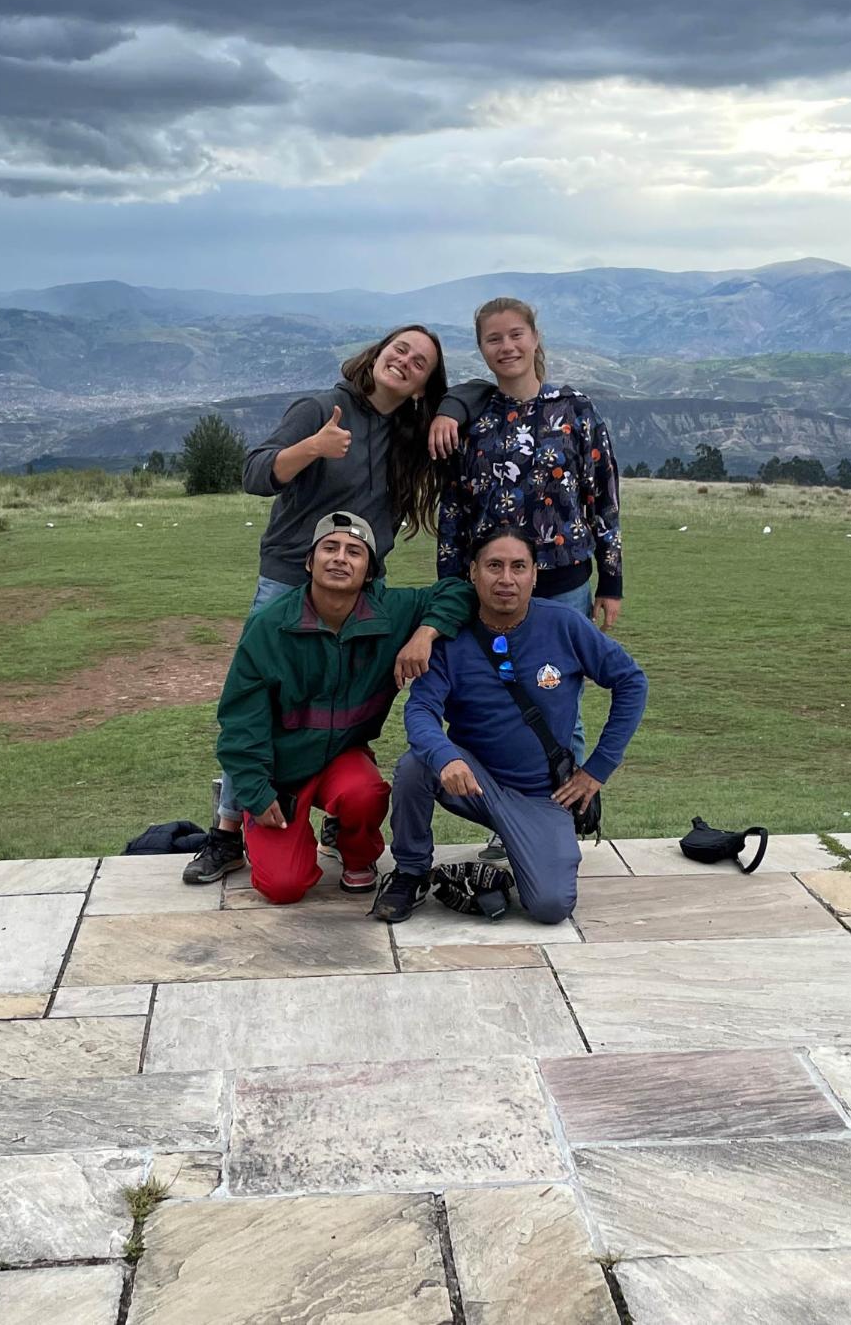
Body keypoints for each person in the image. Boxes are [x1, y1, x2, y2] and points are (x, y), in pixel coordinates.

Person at [197, 325, 450, 870]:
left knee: (349, 691)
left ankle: (343, 807)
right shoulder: (322, 408)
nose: (405, 362)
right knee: (260, 702)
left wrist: (452, 409)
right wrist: (312, 448)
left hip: (362, 583)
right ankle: (225, 830)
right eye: (399, 349)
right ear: (378, 353)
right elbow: (255, 474)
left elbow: (475, 397)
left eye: (421, 363)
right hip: (291, 575)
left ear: (424, 386)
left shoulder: (409, 433)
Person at [188, 511, 473, 901]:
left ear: (369, 572)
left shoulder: (390, 611)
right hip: (280, 773)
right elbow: (240, 721)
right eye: (330, 548)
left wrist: (425, 632)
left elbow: (460, 591)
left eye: (355, 552)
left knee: (367, 791)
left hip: (342, 758)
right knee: (283, 887)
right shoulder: (270, 626)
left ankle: (355, 852)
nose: (341, 558)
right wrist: (255, 791)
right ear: (309, 562)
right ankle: (264, 839)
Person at [429, 295, 624, 857]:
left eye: (516, 335)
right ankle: (509, 821)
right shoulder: (473, 417)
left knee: (561, 702)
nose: (507, 347)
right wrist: (450, 588)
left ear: (535, 338)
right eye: (494, 339)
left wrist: (611, 582)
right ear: (482, 350)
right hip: (486, 587)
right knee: (500, 697)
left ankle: (561, 817)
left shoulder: (577, 409)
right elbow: (454, 510)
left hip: (563, 582)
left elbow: (602, 499)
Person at [374, 527, 647, 925]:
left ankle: (516, 859)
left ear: (534, 574)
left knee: (551, 906)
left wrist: (596, 770)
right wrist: (447, 757)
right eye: (494, 566)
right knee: (416, 766)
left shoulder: (565, 625)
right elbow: (420, 710)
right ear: (472, 572)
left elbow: (631, 681)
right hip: (474, 782)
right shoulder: (450, 636)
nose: (506, 579)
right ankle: (411, 871)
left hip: (541, 795)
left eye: (518, 566)